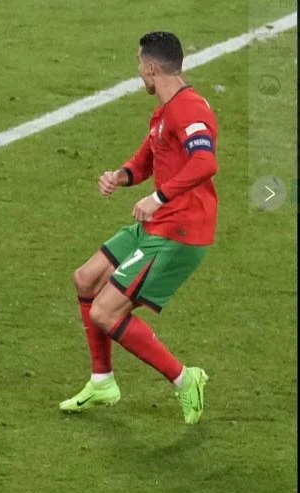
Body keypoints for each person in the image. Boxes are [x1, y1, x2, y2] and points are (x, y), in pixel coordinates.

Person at [60, 32, 218, 425]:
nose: (138, 73)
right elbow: (150, 157)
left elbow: (205, 163)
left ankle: (186, 380)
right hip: (156, 223)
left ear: (151, 67)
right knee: (86, 278)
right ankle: (102, 382)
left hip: (179, 232)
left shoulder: (188, 109)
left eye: (138, 65)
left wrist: (158, 198)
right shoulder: (166, 111)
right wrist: (122, 176)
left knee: (105, 311)